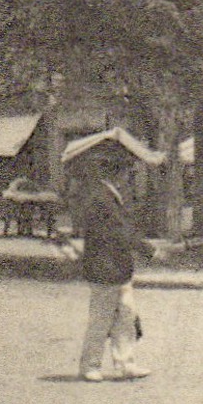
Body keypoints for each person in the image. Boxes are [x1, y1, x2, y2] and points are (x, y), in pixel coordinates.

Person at [75, 149, 159, 382]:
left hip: (117, 268)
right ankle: (90, 366)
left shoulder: (108, 195)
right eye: (128, 174)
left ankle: (125, 363)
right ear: (118, 173)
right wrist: (149, 249)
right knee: (101, 318)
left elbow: (123, 229)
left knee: (126, 315)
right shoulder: (101, 197)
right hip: (105, 266)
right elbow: (118, 232)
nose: (129, 180)